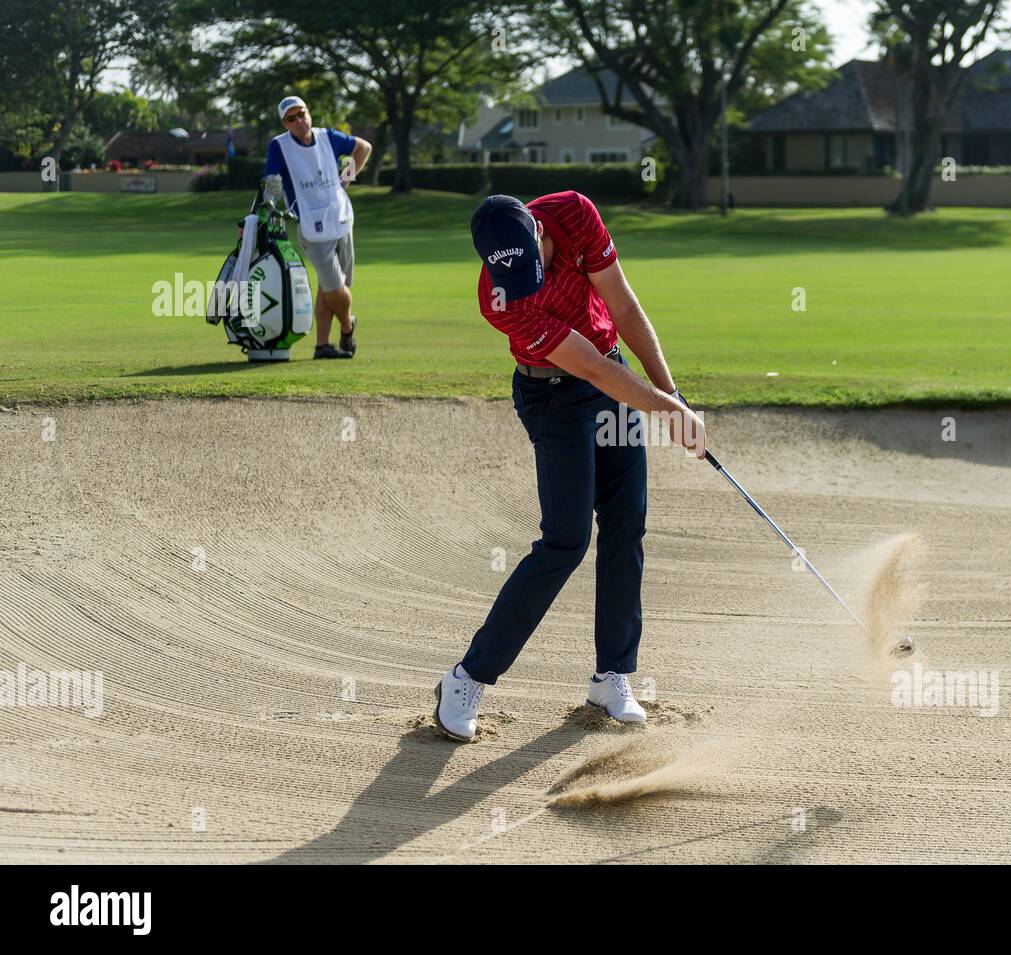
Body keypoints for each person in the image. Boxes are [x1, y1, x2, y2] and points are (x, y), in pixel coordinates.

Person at [434, 191, 707, 743]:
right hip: (554, 398)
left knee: (627, 520)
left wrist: (671, 395)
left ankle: (613, 677)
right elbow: (590, 371)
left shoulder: (575, 214)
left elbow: (624, 308)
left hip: (610, 372)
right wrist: (666, 410)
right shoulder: (500, 300)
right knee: (566, 540)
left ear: (537, 231)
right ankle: (467, 678)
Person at [264, 95, 371, 359]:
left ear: (308, 113)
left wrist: (345, 180)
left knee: (328, 286)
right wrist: (272, 198)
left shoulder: (327, 136)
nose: (299, 120)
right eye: (292, 118)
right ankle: (348, 327)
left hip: (342, 217)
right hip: (313, 226)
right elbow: (272, 180)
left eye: (302, 114)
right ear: (285, 123)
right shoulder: (280, 146)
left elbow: (363, 148)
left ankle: (322, 346)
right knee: (336, 288)